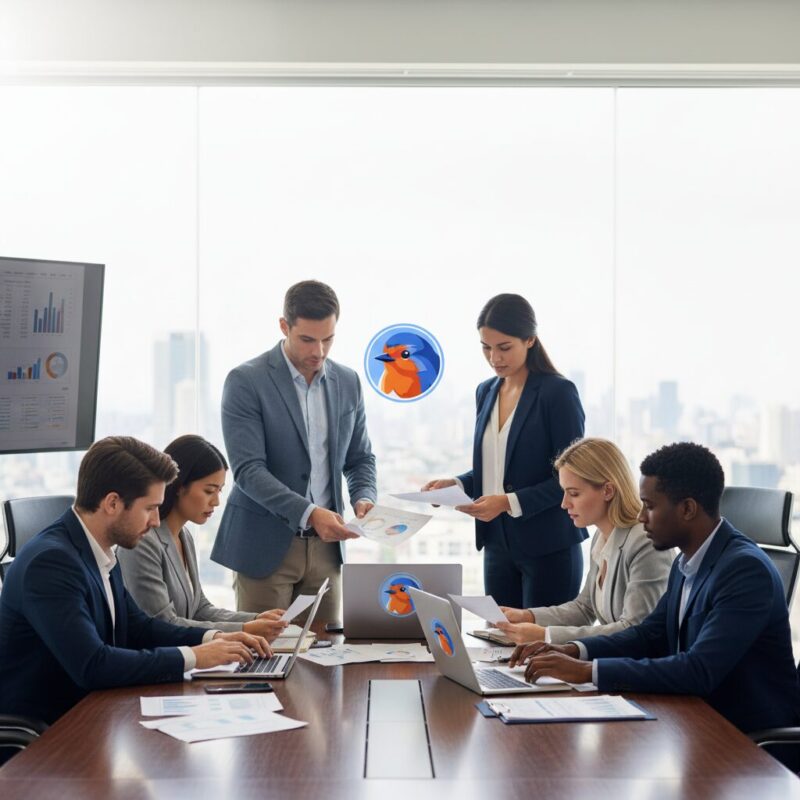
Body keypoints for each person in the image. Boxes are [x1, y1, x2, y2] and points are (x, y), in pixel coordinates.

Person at [511, 442, 800, 737]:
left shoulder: (744, 571)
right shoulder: (686, 562)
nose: (640, 517)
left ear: (687, 508)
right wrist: (572, 650)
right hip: (693, 721)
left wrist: (588, 671)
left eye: (649, 506)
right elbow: (648, 634)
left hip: (746, 742)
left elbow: (699, 670)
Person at [0, 437, 269, 725]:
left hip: (96, 713)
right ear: (113, 503)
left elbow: (139, 627)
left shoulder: (99, 547)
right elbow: (94, 665)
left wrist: (214, 639)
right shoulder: (52, 563)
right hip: (50, 736)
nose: (156, 521)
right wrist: (194, 656)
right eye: (149, 508)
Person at [211, 280, 377, 623]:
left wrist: (364, 496)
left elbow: (360, 458)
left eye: (328, 339)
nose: (319, 351)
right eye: (307, 339)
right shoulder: (246, 381)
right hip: (264, 548)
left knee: (326, 663)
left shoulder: (348, 382)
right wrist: (310, 512)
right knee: (262, 663)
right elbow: (248, 471)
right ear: (284, 326)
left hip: (327, 553)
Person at [423, 293, 587, 608]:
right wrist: (457, 485)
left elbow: (571, 480)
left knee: (541, 649)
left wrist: (508, 502)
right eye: (486, 348)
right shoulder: (486, 392)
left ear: (530, 340)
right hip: (497, 545)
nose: (494, 358)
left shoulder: (558, 394)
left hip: (549, 547)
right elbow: (494, 468)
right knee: (499, 645)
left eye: (504, 347)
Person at [494, 437, 674, 644]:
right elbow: (585, 608)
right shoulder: (602, 536)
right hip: (613, 661)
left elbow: (634, 628)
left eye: (574, 494)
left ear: (608, 490)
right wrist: (528, 616)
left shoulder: (646, 543)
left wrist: (546, 636)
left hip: (636, 669)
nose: (564, 504)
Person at [119, 435, 289, 639]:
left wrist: (254, 620)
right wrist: (244, 630)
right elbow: (162, 623)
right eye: (209, 491)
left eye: (219, 491)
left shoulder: (184, 536)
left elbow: (199, 608)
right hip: (160, 661)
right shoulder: (143, 542)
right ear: (180, 486)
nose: (216, 502)